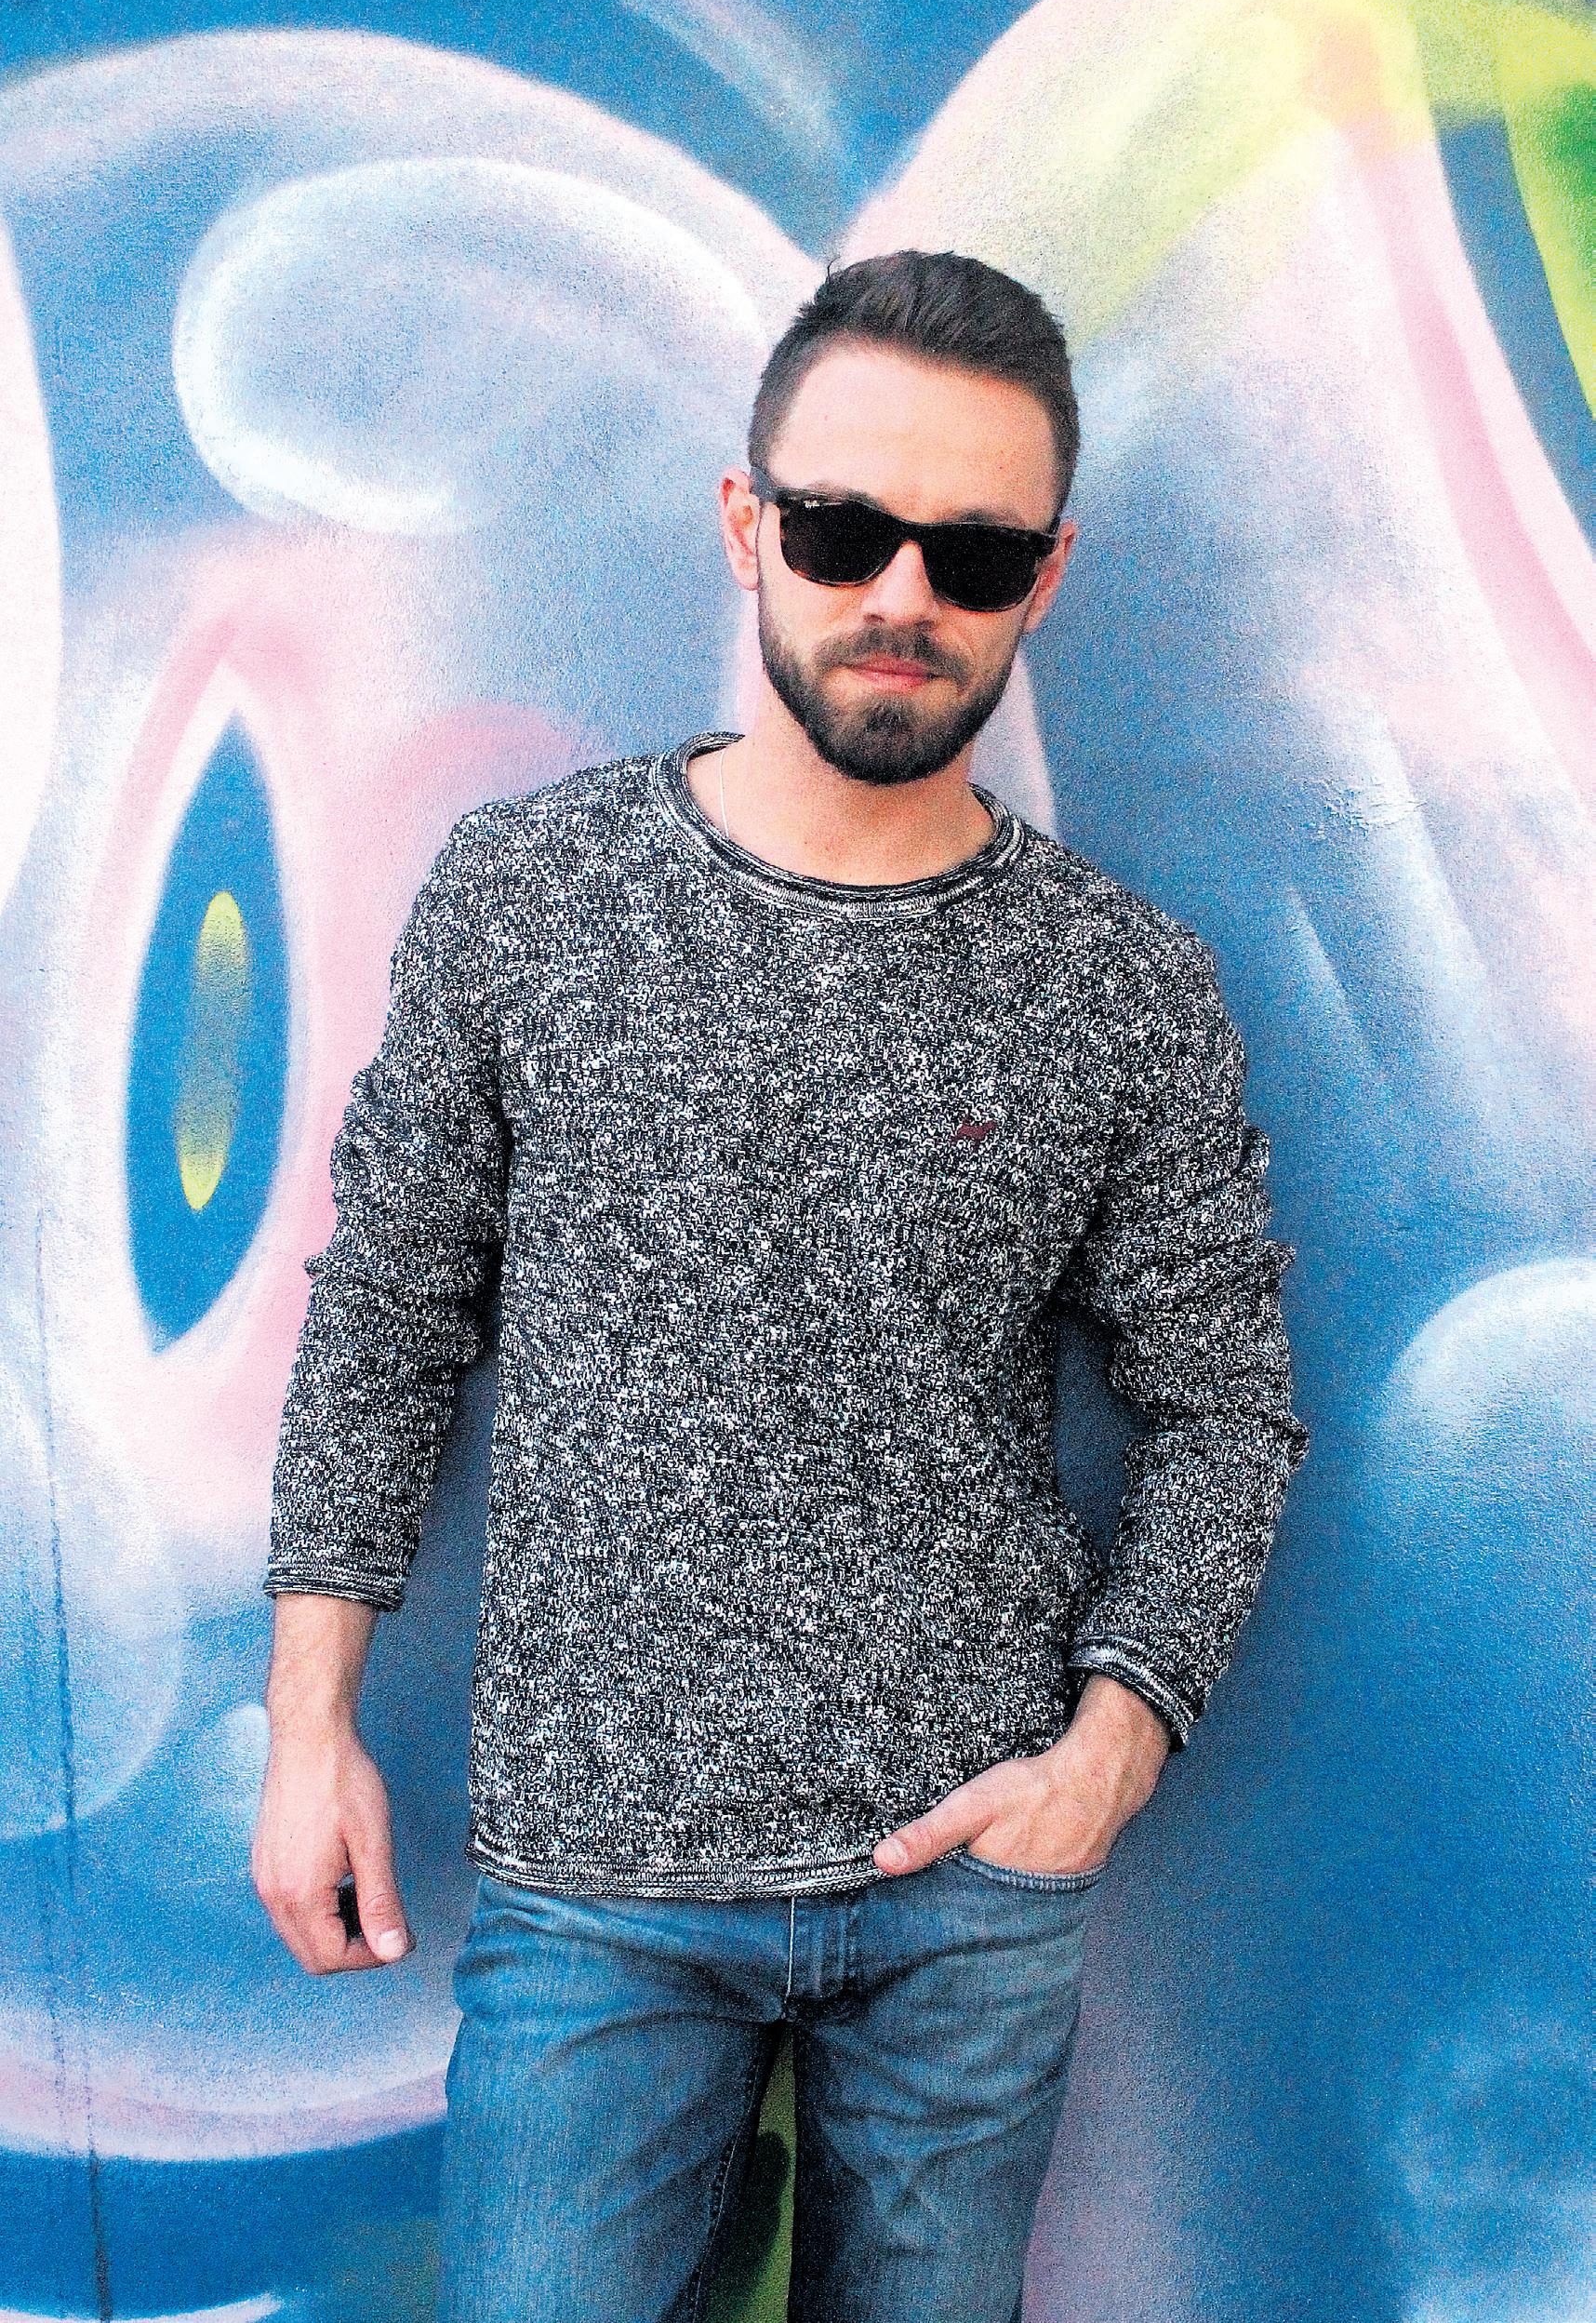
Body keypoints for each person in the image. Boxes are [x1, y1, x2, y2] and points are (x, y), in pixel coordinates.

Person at [252, 247, 1308, 2323]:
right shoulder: (530, 895)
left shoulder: (1122, 984)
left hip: (967, 1898)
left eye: (971, 554)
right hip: (596, 1897)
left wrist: (1107, 1750)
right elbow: (386, 1316)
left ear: (1045, 579)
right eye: (841, 530)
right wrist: (310, 1726)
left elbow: (1225, 1405)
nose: (901, 593)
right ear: (746, 524)